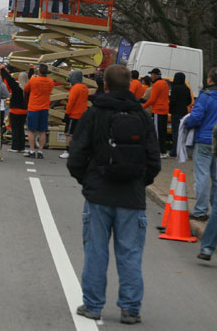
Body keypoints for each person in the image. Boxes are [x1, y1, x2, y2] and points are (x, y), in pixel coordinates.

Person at [67, 64, 160, 325]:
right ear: (131, 85)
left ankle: (94, 305)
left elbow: (76, 157)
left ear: (104, 85)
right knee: (130, 253)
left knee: (96, 251)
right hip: (131, 196)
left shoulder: (95, 114)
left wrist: (88, 181)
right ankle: (130, 308)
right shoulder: (142, 117)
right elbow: (154, 160)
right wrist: (139, 182)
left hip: (99, 195)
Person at [184, 68, 217, 222]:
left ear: (210, 80)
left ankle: (200, 211)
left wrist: (187, 122)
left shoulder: (205, 96)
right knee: (216, 178)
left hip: (204, 139)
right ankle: (215, 210)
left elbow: (196, 117)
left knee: (202, 176)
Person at [24, 64, 55, 158]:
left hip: (33, 107)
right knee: (42, 130)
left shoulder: (33, 80)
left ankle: (32, 150)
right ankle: (40, 151)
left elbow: (26, 89)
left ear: (39, 71)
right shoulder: (50, 82)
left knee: (31, 130)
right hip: (44, 107)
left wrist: (32, 78)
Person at [60, 70, 89, 159]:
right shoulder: (85, 88)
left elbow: (71, 102)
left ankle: (68, 150)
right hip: (82, 114)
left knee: (69, 133)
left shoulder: (75, 88)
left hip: (73, 114)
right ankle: (77, 151)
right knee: (78, 134)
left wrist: (66, 114)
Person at [142, 68, 170, 158]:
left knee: (157, 132)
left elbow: (152, 99)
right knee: (162, 132)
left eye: (152, 75)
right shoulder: (165, 83)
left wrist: (143, 106)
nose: (151, 77)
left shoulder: (157, 84)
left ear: (155, 75)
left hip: (158, 110)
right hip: (164, 110)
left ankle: (159, 152)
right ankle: (163, 151)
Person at [169, 72, 192, 168]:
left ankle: (174, 151)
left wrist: (170, 107)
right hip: (183, 112)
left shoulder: (175, 88)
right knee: (182, 133)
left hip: (175, 113)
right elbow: (189, 101)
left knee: (175, 132)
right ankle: (182, 151)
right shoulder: (186, 89)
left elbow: (172, 100)